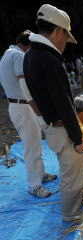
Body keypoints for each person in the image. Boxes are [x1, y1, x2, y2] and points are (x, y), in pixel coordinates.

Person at [24, 4, 83, 222]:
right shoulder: (49, 60)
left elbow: (34, 96)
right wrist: (78, 138)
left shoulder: (30, 56)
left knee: (76, 170)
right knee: (71, 175)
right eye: (65, 37)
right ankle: (71, 215)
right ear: (59, 30)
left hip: (52, 126)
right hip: (62, 128)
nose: (65, 44)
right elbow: (64, 103)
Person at [0, 30, 57, 198]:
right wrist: (35, 104)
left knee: (35, 143)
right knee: (32, 147)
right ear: (28, 45)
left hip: (17, 105)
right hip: (24, 106)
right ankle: (34, 184)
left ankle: (40, 174)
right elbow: (23, 81)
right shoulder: (19, 56)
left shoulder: (6, 55)